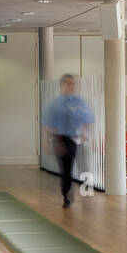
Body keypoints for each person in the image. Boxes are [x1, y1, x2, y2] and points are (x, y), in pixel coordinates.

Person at [41, 74, 95, 208]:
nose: (71, 86)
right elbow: (48, 124)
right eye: (68, 83)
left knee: (77, 167)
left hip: (75, 139)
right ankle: (66, 195)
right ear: (62, 85)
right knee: (66, 168)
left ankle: (78, 192)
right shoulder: (55, 104)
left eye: (73, 83)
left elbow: (87, 119)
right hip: (60, 138)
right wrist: (46, 141)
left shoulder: (80, 102)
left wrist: (85, 134)